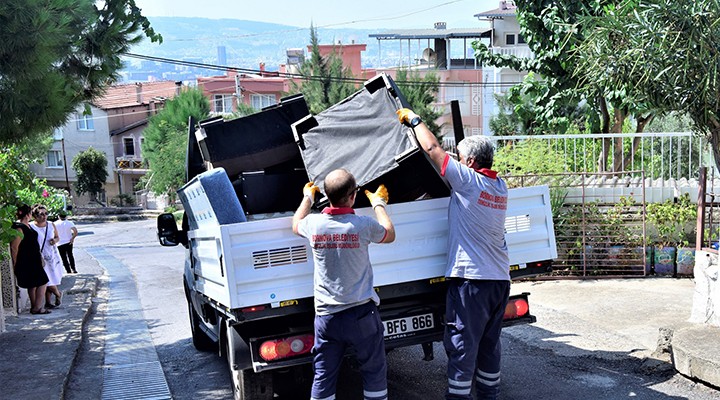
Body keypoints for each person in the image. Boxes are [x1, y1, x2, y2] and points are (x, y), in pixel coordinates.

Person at [397, 108, 510, 400]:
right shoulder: (500, 186)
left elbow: (433, 148)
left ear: (470, 162)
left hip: (471, 282)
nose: (457, 162)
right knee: (489, 345)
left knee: (462, 346)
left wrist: (415, 120)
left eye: (460, 158)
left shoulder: (469, 182)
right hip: (499, 280)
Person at [292, 169, 396, 400]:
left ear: (326, 195)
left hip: (327, 318)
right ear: (353, 195)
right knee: (374, 372)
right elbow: (389, 234)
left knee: (323, 375)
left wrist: (307, 197)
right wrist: (378, 204)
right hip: (361, 315)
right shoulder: (362, 225)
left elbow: (296, 223)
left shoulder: (314, 224)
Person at [9, 204, 51, 314]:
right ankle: (38, 307)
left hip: (34, 259)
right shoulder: (19, 227)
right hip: (26, 261)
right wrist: (15, 263)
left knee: (32, 285)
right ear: (28, 214)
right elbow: (14, 247)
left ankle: (34, 307)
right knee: (43, 281)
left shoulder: (26, 226)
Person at [30, 204, 64, 309]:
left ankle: (48, 302)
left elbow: (58, 237)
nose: (44, 216)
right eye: (41, 214)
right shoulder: (31, 226)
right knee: (46, 279)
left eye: (46, 213)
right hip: (39, 257)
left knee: (51, 278)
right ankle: (58, 294)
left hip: (52, 256)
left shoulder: (50, 224)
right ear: (34, 216)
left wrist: (55, 240)